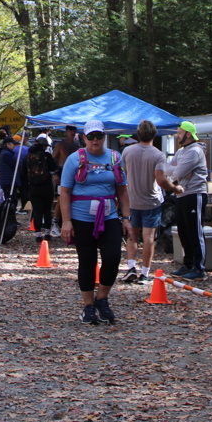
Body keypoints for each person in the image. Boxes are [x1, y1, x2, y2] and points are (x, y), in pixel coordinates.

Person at [59, 120, 130, 325]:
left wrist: (127, 218)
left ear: (104, 137)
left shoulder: (115, 158)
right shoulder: (75, 159)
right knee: (87, 261)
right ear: (84, 137)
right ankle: (88, 306)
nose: (95, 140)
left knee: (113, 257)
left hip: (109, 216)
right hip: (82, 218)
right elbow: (65, 192)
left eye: (99, 136)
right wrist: (66, 221)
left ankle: (102, 299)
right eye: (91, 136)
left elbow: (122, 190)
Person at [121, 120, 176, 284]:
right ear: (154, 134)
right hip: (151, 201)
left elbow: (124, 173)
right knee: (148, 238)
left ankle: (131, 267)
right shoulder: (158, 155)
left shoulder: (127, 151)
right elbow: (161, 180)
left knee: (132, 235)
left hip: (132, 200)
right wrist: (175, 188)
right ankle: (144, 273)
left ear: (138, 134)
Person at [165, 121, 208, 280]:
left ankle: (199, 268)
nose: (177, 135)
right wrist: (177, 170)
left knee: (194, 231)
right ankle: (188, 264)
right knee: (183, 231)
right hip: (181, 194)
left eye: (179, 132)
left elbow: (176, 174)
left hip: (195, 194)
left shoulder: (195, 151)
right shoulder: (181, 151)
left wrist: (178, 171)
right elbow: (167, 169)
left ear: (188, 134)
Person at [24, 134, 58, 241]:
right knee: (47, 210)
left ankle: (38, 235)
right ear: (44, 146)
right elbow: (54, 167)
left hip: (33, 187)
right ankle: (47, 233)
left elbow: (22, 172)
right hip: (46, 186)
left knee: (37, 210)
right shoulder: (47, 155)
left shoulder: (28, 157)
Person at [0, 136, 28, 211]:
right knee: (11, 200)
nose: (15, 146)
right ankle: (9, 216)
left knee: (12, 200)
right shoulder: (7, 154)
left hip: (8, 180)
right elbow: (15, 165)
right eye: (14, 144)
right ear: (8, 144)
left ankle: (10, 215)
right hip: (9, 181)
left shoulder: (6, 153)